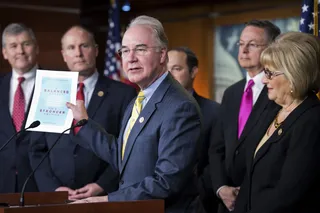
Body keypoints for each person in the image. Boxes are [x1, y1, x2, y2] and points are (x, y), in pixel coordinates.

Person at [67, 15, 202, 212]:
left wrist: (108, 200)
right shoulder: (137, 101)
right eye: (125, 50)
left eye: (140, 49)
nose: (130, 58)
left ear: (163, 54)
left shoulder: (180, 107)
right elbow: (123, 157)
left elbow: (166, 182)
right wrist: (84, 124)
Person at [29, 25, 136, 200]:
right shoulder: (47, 90)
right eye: (71, 48)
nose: (78, 53)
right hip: (57, 199)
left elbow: (128, 148)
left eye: (84, 46)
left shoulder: (123, 94)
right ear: (64, 54)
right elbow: (36, 149)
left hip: (103, 197)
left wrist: (102, 185)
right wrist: (53, 188)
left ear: (96, 50)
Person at [233, 31, 320, 213]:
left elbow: (288, 193)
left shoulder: (311, 121)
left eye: (270, 73)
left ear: (293, 76)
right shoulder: (271, 109)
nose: (264, 80)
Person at [208, 20, 281, 212]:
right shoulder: (231, 93)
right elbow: (217, 148)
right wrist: (221, 188)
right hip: (227, 202)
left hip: (261, 200)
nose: (244, 50)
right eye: (241, 44)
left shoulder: (279, 92)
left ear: (271, 48)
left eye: (253, 44)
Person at [167, 47, 220, 213]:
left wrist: (198, 193)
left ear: (193, 71)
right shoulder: (149, 109)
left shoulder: (214, 111)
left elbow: (216, 159)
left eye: (176, 69)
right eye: (165, 70)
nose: (169, 75)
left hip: (197, 203)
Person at [0, 23, 39, 193]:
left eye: (26, 44)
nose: (20, 51)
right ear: (4, 53)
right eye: (13, 46)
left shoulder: (55, 83)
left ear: (36, 48)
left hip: (40, 183)